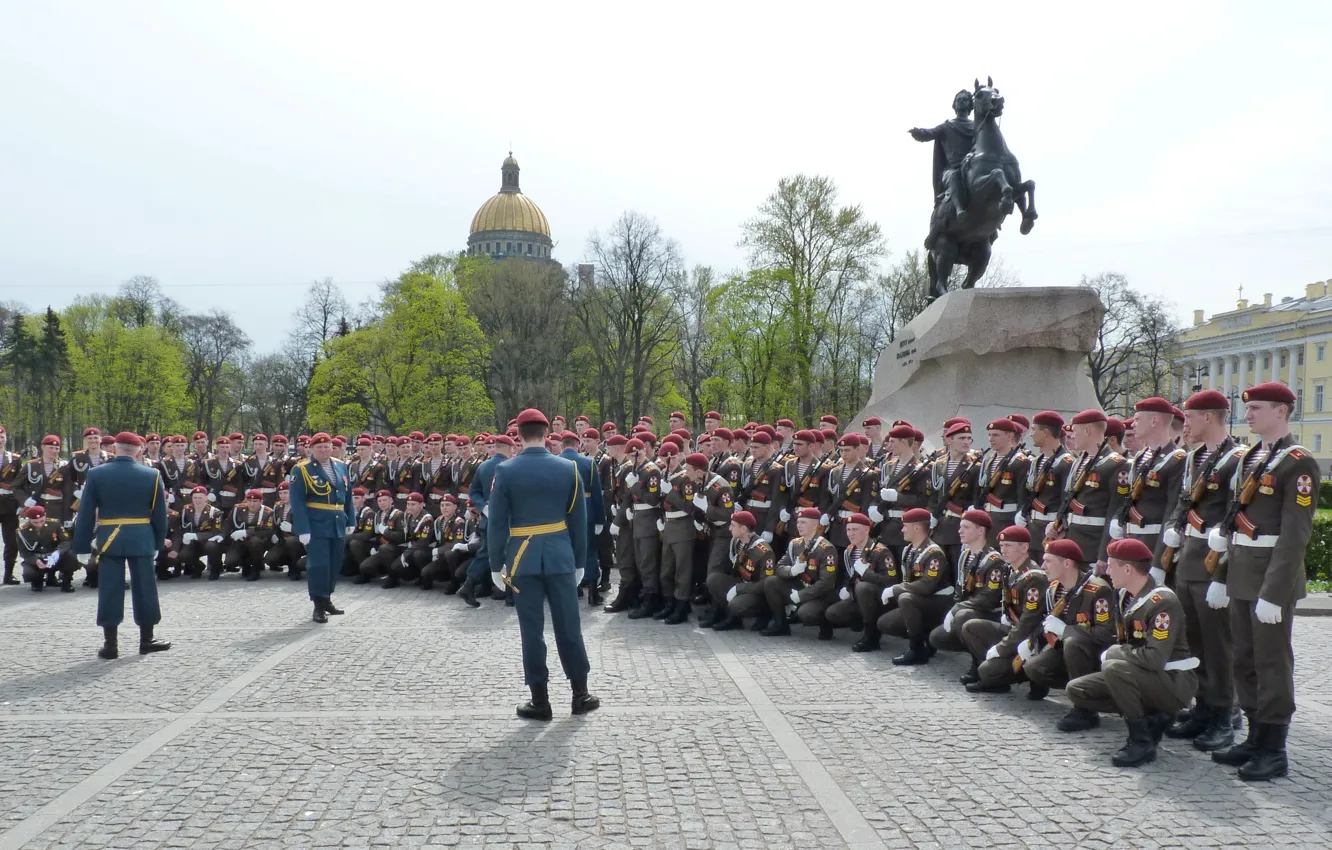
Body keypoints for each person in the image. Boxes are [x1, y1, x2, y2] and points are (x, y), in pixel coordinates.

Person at [1208, 381, 1318, 781]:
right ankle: (1255, 737)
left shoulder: (1298, 462)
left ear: (1282, 411)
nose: (1249, 414)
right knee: (1244, 659)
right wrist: (1221, 574)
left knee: (1271, 663)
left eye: (1258, 408)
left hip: (1272, 577)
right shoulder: (1252, 456)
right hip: (1240, 571)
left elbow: (1295, 534)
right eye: (1249, 409)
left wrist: (1274, 592)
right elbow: (1236, 521)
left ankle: (1274, 748)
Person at [489, 408, 598, 720]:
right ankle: (581, 694)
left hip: (522, 559)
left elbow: (496, 523)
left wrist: (497, 565)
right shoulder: (567, 468)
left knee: (532, 630)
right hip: (561, 555)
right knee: (569, 626)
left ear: (519, 435)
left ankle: (540, 700)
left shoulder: (506, 471)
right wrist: (579, 561)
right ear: (547, 433)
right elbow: (579, 519)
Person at [1066, 538, 1197, 768]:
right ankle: (1151, 718)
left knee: (1114, 667)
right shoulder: (1125, 595)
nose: (1106, 570)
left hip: (1173, 681)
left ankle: (1141, 740)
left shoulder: (1162, 602)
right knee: (1078, 690)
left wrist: (1118, 651)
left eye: (1111, 565)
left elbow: (1155, 658)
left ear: (1127, 569)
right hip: (1143, 675)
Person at [72, 432, 171, 660]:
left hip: (110, 538)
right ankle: (147, 640)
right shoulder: (152, 475)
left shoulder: (96, 474)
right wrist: (157, 542)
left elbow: (86, 513)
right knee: (145, 588)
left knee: (109, 589)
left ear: (114, 449)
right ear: (138, 451)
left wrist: (82, 547)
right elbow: (160, 515)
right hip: (141, 537)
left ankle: (110, 645)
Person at [289, 432, 354, 624]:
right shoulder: (301, 469)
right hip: (316, 524)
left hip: (337, 522)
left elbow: (347, 495)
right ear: (311, 449)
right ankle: (318, 604)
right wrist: (302, 529)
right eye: (319, 447)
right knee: (319, 565)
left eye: (327, 446)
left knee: (334, 563)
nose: (324, 450)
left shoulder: (341, 466)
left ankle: (327, 599)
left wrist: (351, 520)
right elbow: (297, 501)